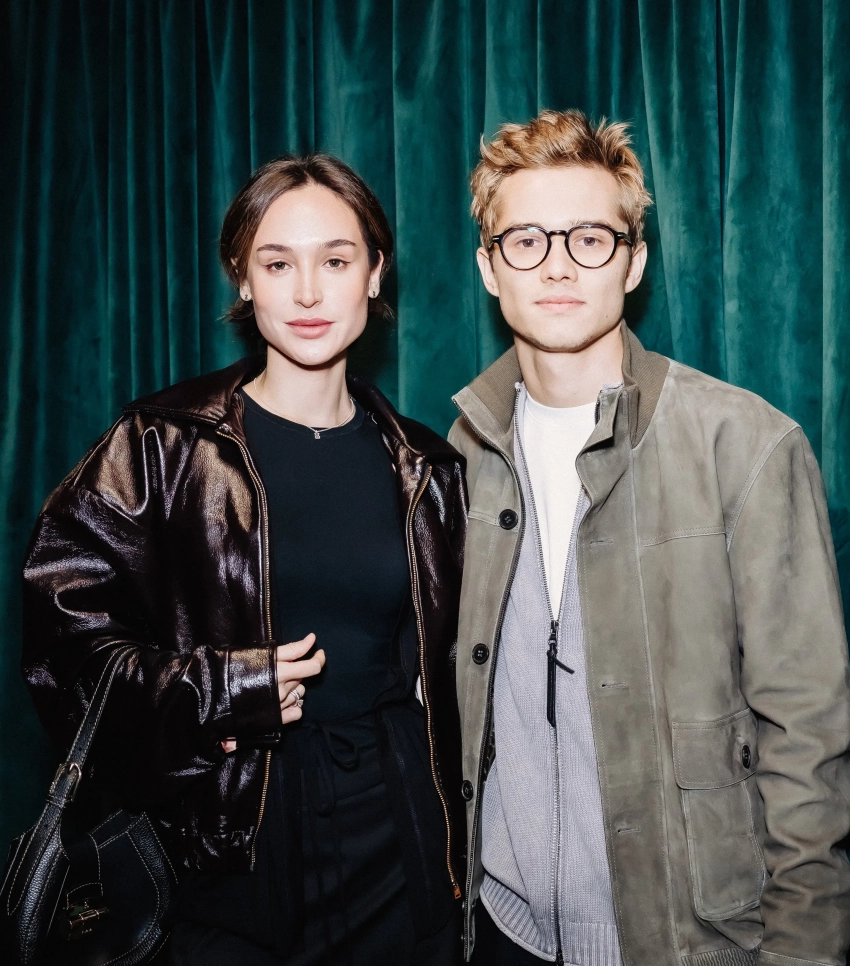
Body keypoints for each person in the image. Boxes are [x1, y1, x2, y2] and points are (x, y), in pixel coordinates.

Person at [21, 154, 466, 965]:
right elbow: (61, 648)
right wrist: (219, 691)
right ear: (243, 279)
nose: (308, 292)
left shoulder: (428, 468)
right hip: (222, 848)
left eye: (336, 261)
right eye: (278, 263)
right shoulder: (159, 444)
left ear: (375, 274)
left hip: (397, 845)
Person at [448, 109, 850, 966]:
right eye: (526, 240)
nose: (557, 264)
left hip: (687, 942)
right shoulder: (461, 454)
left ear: (633, 263)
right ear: (488, 268)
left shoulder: (745, 443)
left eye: (590, 238)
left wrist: (805, 952)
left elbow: (809, 740)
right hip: (502, 935)